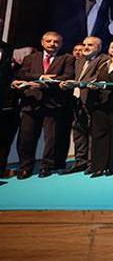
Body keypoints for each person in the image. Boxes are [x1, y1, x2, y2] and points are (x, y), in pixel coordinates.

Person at [11, 31, 75, 179]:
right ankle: (25, 167)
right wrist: (40, 77)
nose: (52, 44)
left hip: (53, 104)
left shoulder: (67, 58)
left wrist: (46, 83)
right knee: (26, 138)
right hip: (31, 102)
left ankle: (47, 167)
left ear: (61, 44)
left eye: (56, 42)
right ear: (42, 42)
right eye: (49, 41)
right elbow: (22, 74)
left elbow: (67, 76)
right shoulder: (30, 58)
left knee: (51, 139)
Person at [59, 36, 108, 174]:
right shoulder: (79, 60)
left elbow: (98, 78)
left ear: (99, 47)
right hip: (76, 100)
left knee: (93, 132)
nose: (86, 47)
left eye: (90, 45)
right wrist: (64, 83)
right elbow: (73, 77)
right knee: (78, 131)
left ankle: (93, 162)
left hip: (94, 101)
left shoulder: (104, 60)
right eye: (85, 44)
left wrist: (79, 84)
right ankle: (80, 161)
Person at [87, 40, 113, 177]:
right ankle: (98, 167)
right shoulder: (103, 64)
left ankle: (112, 166)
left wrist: (106, 85)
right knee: (99, 135)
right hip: (100, 104)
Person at [0, 39, 20, 178]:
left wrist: (13, 82)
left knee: (4, 140)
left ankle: (1, 169)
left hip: (7, 103)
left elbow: (11, 74)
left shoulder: (9, 48)